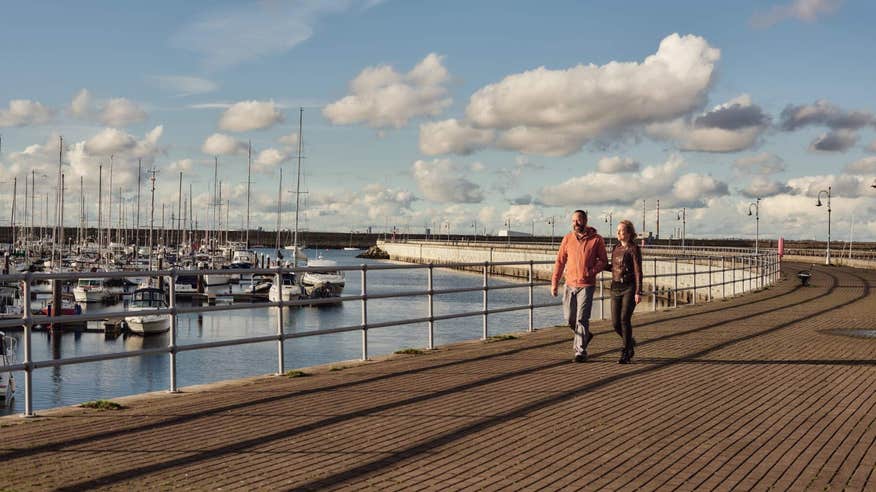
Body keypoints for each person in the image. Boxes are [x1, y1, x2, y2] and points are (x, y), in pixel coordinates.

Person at [551, 210, 608, 362]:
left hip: (587, 285)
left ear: (585, 221)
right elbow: (560, 262)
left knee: (582, 318)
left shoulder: (597, 240)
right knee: (570, 318)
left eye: (578, 220)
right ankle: (586, 336)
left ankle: (580, 351)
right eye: (573, 221)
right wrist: (554, 283)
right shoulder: (568, 239)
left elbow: (603, 261)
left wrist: (591, 272)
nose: (575, 223)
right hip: (569, 284)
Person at [606, 219, 643, 364]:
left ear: (629, 233)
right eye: (617, 231)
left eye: (622, 231)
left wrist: (638, 291)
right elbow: (614, 267)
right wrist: (598, 266)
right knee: (615, 323)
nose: (619, 233)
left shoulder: (634, 249)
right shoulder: (616, 248)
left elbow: (638, 271)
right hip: (615, 287)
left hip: (629, 287)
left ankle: (626, 352)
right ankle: (629, 342)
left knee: (624, 319)